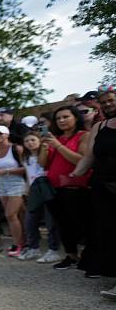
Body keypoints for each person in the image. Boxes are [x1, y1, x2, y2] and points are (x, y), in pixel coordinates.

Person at [70, 86, 116, 288]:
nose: (108, 104)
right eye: (104, 102)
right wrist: (76, 173)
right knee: (108, 229)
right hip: (102, 185)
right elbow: (90, 156)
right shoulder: (99, 127)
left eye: (111, 100)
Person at [44, 106, 91, 272]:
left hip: (75, 187)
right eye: (58, 118)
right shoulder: (56, 138)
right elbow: (44, 164)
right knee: (63, 224)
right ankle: (71, 256)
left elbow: (82, 159)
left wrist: (58, 146)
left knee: (81, 224)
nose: (61, 121)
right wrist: (43, 149)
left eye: (65, 117)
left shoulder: (83, 136)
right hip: (54, 187)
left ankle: (90, 256)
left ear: (76, 118)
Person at [21, 131, 61, 263]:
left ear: (39, 141)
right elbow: (28, 173)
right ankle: (34, 248)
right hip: (33, 190)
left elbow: (45, 166)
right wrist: (27, 188)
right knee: (30, 220)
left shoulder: (46, 153)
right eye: (27, 141)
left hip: (46, 188)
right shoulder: (25, 157)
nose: (30, 143)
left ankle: (53, 250)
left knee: (50, 221)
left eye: (33, 140)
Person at [0, 125, 26, 256]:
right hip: (2, 184)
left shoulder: (16, 148)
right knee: (16, 215)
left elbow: (26, 168)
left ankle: (18, 244)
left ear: (7, 134)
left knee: (10, 215)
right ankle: (22, 241)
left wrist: (6, 171)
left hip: (16, 182)